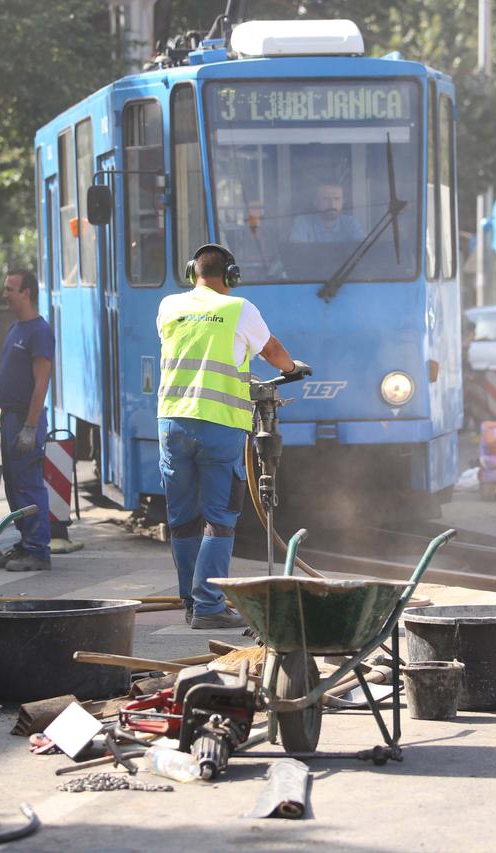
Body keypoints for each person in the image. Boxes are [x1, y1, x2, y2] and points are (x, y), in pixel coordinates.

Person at [157, 243, 308, 629]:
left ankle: (191, 602)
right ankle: (209, 607)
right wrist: (292, 368)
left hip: (172, 423)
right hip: (219, 425)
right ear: (232, 277)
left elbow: (199, 355)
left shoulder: (169, 308)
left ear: (192, 273)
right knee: (219, 519)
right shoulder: (240, 309)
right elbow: (272, 351)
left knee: (183, 520)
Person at [0, 270, 55, 573]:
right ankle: (26, 543)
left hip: (26, 420)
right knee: (14, 487)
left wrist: (30, 426)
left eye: (10, 289)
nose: (4, 294)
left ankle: (38, 551)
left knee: (28, 486)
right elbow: (5, 380)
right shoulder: (14, 329)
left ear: (26, 293)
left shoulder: (39, 331)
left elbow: (41, 383)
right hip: (9, 418)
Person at [289, 182, 365, 243]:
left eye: (337, 199)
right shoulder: (303, 223)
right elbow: (297, 254)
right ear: (316, 203)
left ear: (342, 202)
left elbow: (363, 253)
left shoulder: (350, 223)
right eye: (326, 199)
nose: (332, 204)